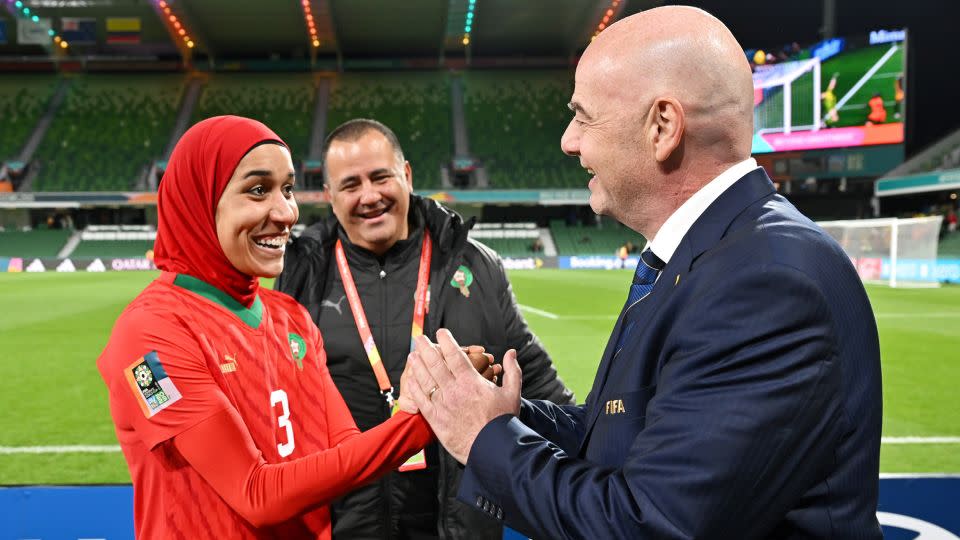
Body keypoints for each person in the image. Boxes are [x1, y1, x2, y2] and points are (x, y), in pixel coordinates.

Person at [404, 7, 882, 539]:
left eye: (583, 116)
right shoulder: (715, 256)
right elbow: (630, 438)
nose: (567, 141)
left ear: (663, 127)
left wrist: (485, 436)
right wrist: (509, 414)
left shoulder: (765, 282)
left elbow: (650, 525)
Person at [96, 116, 491, 539]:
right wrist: (425, 421)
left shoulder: (291, 317)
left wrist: (420, 400)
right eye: (257, 190)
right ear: (199, 201)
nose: (286, 212)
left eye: (287, 189)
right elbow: (256, 494)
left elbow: (344, 453)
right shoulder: (148, 337)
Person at [276, 118, 574, 539]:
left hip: (454, 522)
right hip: (343, 523)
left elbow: (533, 377)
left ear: (407, 175)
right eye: (350, 185)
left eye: (381, 177)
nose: (369, 196)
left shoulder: (474, 264)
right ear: (329, 195)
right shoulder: (300, 273)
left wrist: (597, 447)